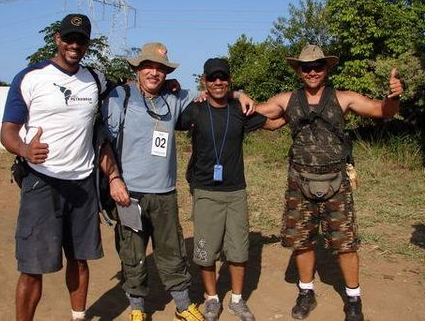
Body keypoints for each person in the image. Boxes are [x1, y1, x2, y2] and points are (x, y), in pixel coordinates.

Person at [99, 44, 254, 321]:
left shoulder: (176, 97)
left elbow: (216, 93)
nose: (154, 72)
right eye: (148, 66)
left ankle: (183, 306)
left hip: (164, 192)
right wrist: (114, 180)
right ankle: (137, 309)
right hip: (128, 193)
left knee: (172, 252)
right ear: (137, 69)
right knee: (132, 252)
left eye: (161, 68)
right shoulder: (119, 97)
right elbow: (103, 143)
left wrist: (239, 93)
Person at [255, 45, 403, 321]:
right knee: (302, 241)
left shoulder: (344, 98)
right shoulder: (287, 100)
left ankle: (353, 299)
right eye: (306, 67)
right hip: (299, 182)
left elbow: (383, 111)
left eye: (318, 67)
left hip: (337, 183)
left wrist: (392, 96)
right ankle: (306, 292)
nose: (312, 72)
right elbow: (254, 112)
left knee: (346, 244)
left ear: (327, 69)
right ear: (299, 70)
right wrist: (235, 97)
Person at [0, 13, 106, 321]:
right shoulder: (30, 77)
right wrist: (24, 149)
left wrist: (171, 84)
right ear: (57, 39)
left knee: (80, 260)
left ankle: (78, 317)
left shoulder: (96, 79)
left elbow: (130, 87)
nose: (74, 44)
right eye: (69, 38)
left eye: (81, 40)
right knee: (33, 268)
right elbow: (7, 130)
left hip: (82, 183)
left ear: (87, 45)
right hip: (41, 183)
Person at [175, 58, 284, 321]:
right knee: (205, 248)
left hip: (235, 190)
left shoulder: (239, 109)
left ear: (229, 80)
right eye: (212, 78)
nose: (218, 82)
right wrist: (170, 85)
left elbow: (272, 122)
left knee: (238, 249)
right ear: (204, 81)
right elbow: (169, 114)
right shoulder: (195, 109)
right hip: (205, 190)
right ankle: (212, 299)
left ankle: (237, 300)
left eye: (223, 77)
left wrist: (298, 108)